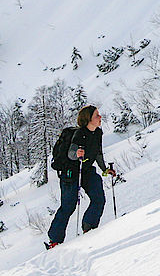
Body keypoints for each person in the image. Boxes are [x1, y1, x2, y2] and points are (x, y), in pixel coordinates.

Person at [47, 105, 116, 248]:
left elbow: (98, 153)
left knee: (98, 198)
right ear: (88, 119)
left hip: (86, 170)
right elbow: (71, 154)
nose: (100, 117)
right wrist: (76, 154)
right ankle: (55, 240)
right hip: (70, 172)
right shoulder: (80, 134)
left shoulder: (98, 133)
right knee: (68, 206)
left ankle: (89, 228)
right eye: (96, 115)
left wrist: (105, 170)